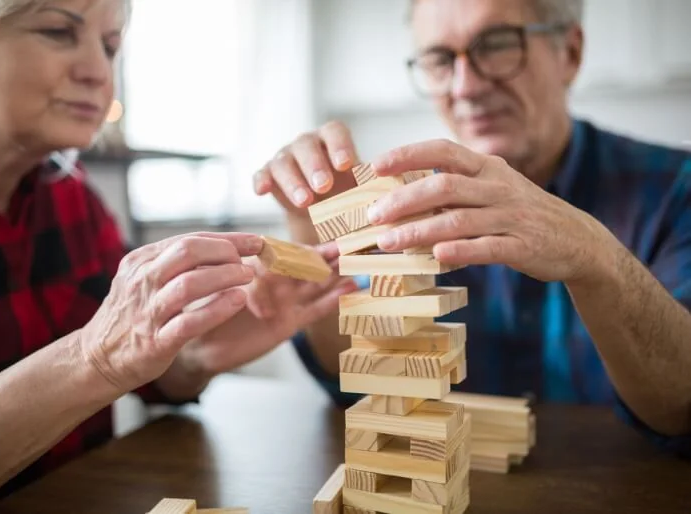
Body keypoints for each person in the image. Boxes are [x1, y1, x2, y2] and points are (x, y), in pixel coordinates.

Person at [0, 1, 356, 512]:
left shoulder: (74, 201)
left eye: (110, 46)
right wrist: (94, 358)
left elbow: (155, 381)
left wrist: (193, 351)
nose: (99, 72)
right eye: (58, 31)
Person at [255, 0, 691, 458]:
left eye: (499, 45)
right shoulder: (409, 205)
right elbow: (366, 378)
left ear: (570, 52)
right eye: (440, 60)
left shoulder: (676, 188)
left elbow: (682, 406)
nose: (466, 86)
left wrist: (596, 260)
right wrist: (312, 233)